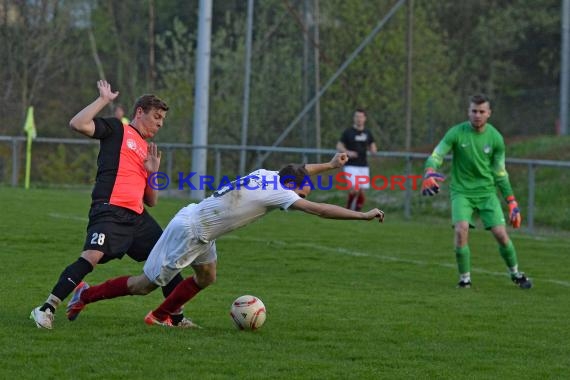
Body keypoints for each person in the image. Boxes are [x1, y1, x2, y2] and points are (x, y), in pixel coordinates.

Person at [64, 153, 385, 328]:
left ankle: (161, 316)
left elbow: (299, 169)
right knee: (143, 285)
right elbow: (320, 211)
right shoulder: (279, 190)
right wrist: (361, 215)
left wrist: (329, 165)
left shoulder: (269, 174)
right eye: (301, 190)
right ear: (290, 186)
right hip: (192, 231)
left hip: (204, 226)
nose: (302, 196)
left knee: (207, 276)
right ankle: (85, 294)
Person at [30, 80, 190, 329]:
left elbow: (152, 201)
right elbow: (77, 124)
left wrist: (152, 173)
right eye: (156, 116)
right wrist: (103, 100)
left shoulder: (147, 150)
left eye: (163, 120)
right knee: (91, 257)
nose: (160, 123)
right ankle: (46, 308)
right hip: (110, 210)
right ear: (139, 112)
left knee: (166, 257)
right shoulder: (118, 130)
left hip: (137, 216)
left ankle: (177, 319)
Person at [421, 93, 532, 289]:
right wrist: (430, 170)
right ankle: (465, 279)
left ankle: (516, 273)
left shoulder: (496, 138)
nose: (477, 115)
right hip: (461, 192)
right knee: (461, 229)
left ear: (489, 113)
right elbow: (437, 155)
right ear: (468, 112)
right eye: (474, 111)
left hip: (487, 193)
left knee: (501, 234)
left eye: (481, 111)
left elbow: (500, 173)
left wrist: (511, 200)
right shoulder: (456, 133)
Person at [336, 108, 377, 211]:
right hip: (351, 165)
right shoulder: (348, 132)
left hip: (363, 165)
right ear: (354, 118)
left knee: (361, 191)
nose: (359, 119)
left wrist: (373, 150)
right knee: (354, 188)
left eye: (361, 117)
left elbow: (372, 146)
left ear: (365, 119)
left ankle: (356, 212)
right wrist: (348, 152)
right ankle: (348, 209)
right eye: (357, 117)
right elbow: (339, 146)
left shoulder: (367, 133)